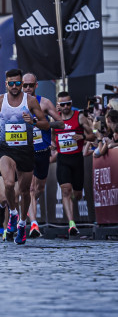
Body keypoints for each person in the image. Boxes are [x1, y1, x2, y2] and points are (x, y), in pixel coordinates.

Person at [0, 69, 51, 244]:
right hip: (6, 149)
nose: (15, 87)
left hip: (26, 150)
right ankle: (13, 214)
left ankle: (22, 223)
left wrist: (33, 121)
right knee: (8, 183)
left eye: (18, 83)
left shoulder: (29, 101)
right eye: (11, 83)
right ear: (6, 84)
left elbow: (45, 124)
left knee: (24, 191)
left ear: (21, 84)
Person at [21, 73, 63, 238]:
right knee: (30, 188)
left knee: (38, 188)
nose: (28, 89)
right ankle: (33, 224)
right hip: (24, 151)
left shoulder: (44, 103)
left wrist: (39, 123)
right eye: (25, 85)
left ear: (36, 85)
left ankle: (24, 207)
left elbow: (60, 123)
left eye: (31, 85)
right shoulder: (15, 104)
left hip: (42, 151)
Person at [53, 91, 95, 237]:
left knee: (76, 194)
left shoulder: (79, 117)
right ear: (58, 104)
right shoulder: (56, 119)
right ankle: (72, 224)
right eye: (62, 104)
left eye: (68, 104)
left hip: (77, 159)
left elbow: (93, 134)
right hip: (63, 159)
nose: (65, 107)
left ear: (71, 103)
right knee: (66, 190)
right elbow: (51, 134)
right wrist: (53, 145)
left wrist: (82, 136)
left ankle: (72, 202)